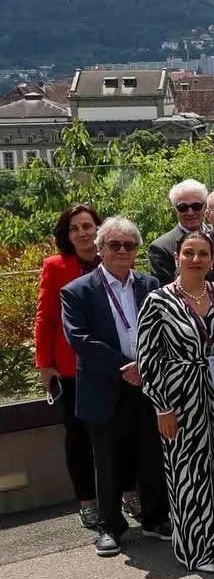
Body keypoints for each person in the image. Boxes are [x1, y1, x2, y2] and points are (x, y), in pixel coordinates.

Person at [137, 231, 214, 572]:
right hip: (181, 398)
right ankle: (199, 549)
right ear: (177, 258)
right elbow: (148, 359)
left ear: (212, 260)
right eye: (189, 253)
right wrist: (162, 407)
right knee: (190, 471)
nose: (196, 259)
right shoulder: (158, 301)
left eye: (203, 254)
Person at [62, 217, 169, 555]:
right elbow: (80, 340)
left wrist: (145, 367)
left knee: (151, 453)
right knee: (107, 460)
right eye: (115, 245)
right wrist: (125, 367)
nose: (123, 250)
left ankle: (155, 519)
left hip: (148, 384)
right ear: (100, 249)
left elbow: (164, 330)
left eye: (129, 245)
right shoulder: (77, 291)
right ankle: (109, 526)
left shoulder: (151, 285)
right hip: (104, 385)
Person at [36, 205, 102, 529]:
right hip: (71, 368)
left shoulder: (115, 256)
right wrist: (44, 365)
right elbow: (46, 318)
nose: (82, 233)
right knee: (78, 438)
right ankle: (88, 502)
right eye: (74, 228)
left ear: (98, 228)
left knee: (121, 432)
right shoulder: (56, 266)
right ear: (67, 235)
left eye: (87, 226)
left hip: (113, 363)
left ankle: (128, 493)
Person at [149, 179, 210, 280]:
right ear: (175, 210)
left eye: (196, 206)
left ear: (205, 207)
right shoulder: (161, 248)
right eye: (183, 207)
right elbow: (163, 286)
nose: (190, 212)